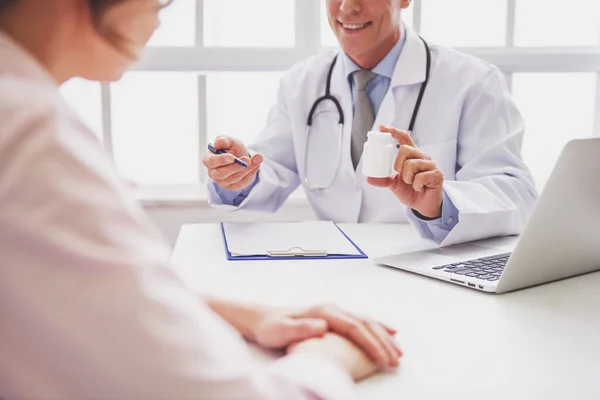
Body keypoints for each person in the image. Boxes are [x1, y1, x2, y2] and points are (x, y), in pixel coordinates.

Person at [0, 0, 402, 398]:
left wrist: (252, 316)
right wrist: (328, 359)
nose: (161, 16)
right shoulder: (32, 137)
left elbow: (82, 290)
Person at [204, 0, 538, 247]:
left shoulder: (472, 82)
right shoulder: (301, 83)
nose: (348, 7)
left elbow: (516, 194)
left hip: (428, 270)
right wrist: (237, 174)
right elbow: (272, 168)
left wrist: (439, 203)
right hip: (333, 268)